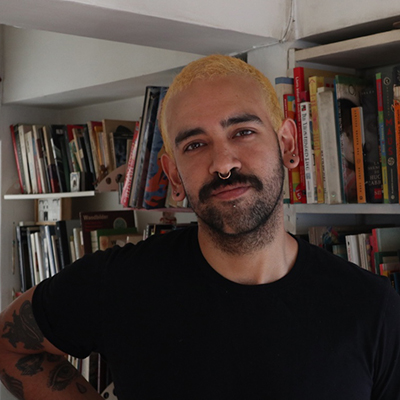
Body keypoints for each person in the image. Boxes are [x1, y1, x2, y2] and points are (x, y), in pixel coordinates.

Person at [1, 55, 400, 400]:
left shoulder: (370, 307)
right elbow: (9, 346)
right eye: (195, 144)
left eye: (243, 132)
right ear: (174, 174)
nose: (223, 163)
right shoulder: (118, 282)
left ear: (288, 145)